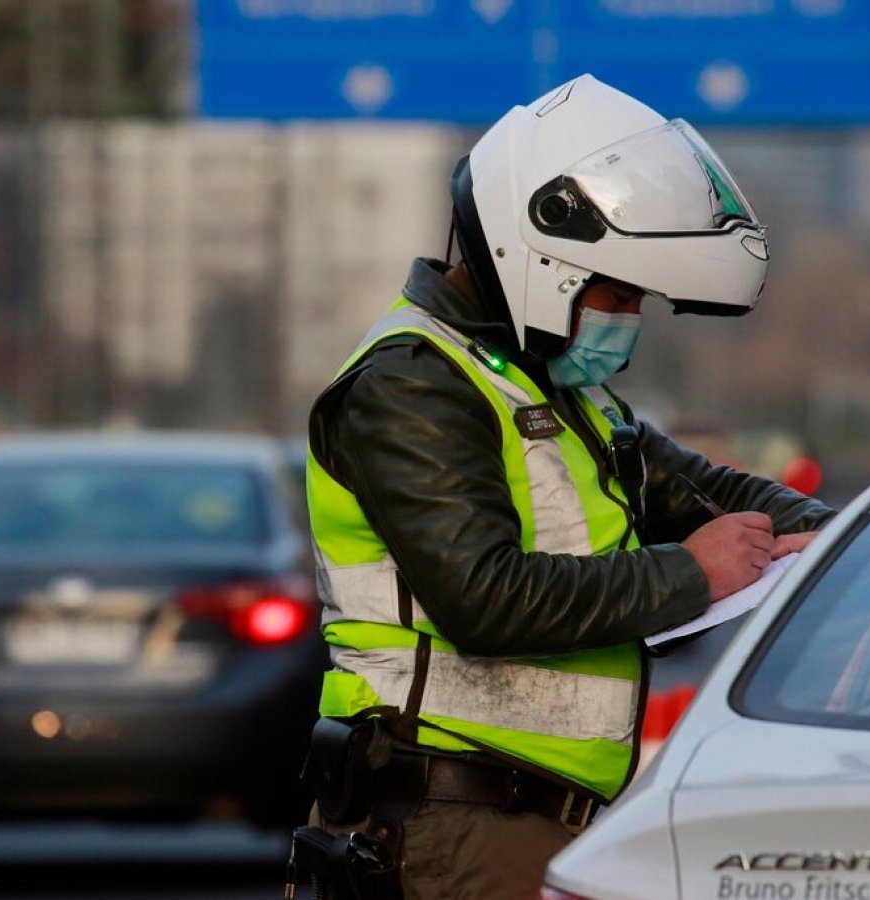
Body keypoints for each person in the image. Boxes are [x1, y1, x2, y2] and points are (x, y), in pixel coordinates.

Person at [296, 74, 836, 899]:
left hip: (541, 820)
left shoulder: (549, 383)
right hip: (454, 820)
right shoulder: (413, 383)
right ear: (541, 259)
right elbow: (484, 596)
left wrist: (850, 539)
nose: (629, 317)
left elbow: (699, 488)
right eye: (617, 291)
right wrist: (693, 575)